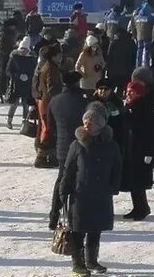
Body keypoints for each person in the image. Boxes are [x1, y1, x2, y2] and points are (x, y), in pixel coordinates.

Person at [60, 102, 121, 276]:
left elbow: (117, 168)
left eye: (92, 121)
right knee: (78, 230)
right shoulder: (77, 145)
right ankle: (78, 263)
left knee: (96, 229)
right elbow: (68, 169)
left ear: (101, 124)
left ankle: (91, 260)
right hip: (81, 195)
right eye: (86, 120)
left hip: (101, 195)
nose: (87, 123)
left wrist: (113, 187)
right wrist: (64, 190)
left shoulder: (111, 145)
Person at [47, 71, 90, 230]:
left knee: (61, 181)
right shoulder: (82, 101)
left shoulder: (54, 100)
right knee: (80, 181)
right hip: (81, 146)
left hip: (62, 147)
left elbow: (49, 125)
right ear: (76, 83)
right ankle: (76, 215)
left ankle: (54, 214)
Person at [121, 79, 154, 221]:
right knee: (133, 181)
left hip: (141, 151)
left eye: (131, 91)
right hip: (131, 149)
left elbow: (151, 133)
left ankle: (142, 208)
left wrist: (150, 152)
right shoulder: (129, 106)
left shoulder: (144, 108)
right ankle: (137, 207)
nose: (128, 93)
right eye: (128, 91)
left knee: (138, 182)